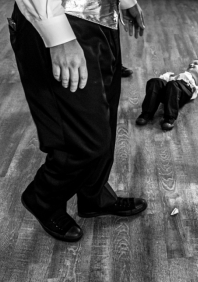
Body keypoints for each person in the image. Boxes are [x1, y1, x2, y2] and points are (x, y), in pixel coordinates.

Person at [8, 0, 148, 242]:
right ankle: (43, 198)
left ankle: (94, 196)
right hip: (62, 21)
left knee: (105, 119)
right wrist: (58, 36)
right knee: (85, 140)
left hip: (103, 19)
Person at [136, 59, 198, 131]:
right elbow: (162, 83)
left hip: (182, 95)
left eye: (195, 64)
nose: (191, 64)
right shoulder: (179, 75)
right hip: (169, 92)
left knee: (174, 84)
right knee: (155, 81)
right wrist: (166, 76)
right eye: (191, 63)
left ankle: (168, 119)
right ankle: (146, 114)